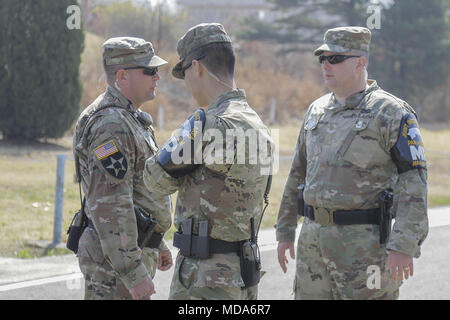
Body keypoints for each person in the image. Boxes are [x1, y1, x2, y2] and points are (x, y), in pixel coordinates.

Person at [276, 26, 428, 300]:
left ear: (360, 63)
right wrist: (285, 229)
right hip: (312, 242)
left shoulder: (391, 112)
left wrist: (403, 244)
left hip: (364, 247)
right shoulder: (317, 110)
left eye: (335, 59)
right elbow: (298, 171)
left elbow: (414, 182)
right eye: (322, 58)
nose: (326, 65)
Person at [143, 23, 273, 300]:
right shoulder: (258, 124)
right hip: (243, 270)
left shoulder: (206, 124)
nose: (187, 82)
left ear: (197, 67)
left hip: (203, 275)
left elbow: (152, 180)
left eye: (185, 72)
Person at [73, 37, 173, 300]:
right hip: (114, 265)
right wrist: (132, 272)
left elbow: (137, 192)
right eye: (149, 71)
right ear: (122, 76)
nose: (157, 77)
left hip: (127, 251)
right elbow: (110, 204)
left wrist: (156, 241)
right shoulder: (111, 124)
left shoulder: (128, 118)